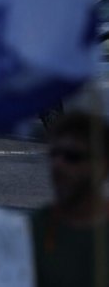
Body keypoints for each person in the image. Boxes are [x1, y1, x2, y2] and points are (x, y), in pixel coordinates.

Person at [31, 112, 109, 287]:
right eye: (53, 155)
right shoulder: (33, 231)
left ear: (102, 166)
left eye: (72, 157)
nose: (58, 165)